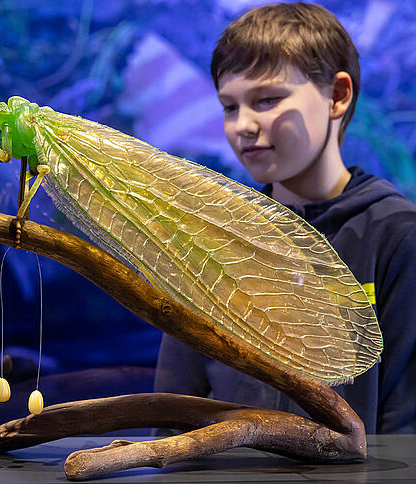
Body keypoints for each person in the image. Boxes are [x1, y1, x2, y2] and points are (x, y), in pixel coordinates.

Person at [155, 2, 416, 434]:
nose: (243, 125)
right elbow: (169, 411)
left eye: (267, 99)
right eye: (229, 106)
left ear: (338, 95)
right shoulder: (210, 241)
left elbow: (405, 424)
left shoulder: (397, 235)